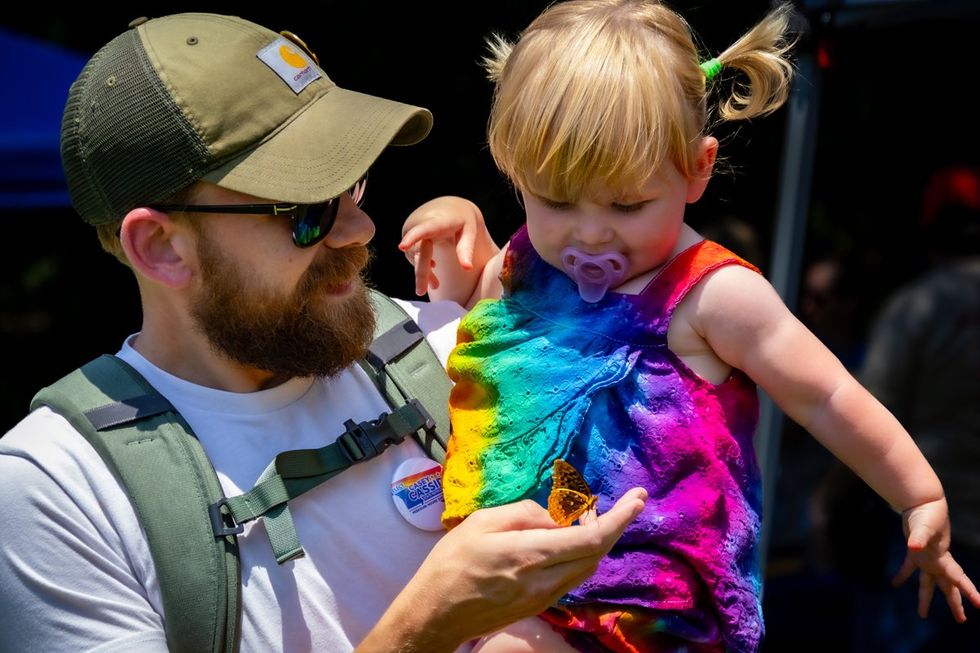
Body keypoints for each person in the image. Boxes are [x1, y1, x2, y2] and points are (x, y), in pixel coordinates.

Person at [0, 12, 650, 653]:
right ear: (161, 246)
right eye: (307, 211)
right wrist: (426, 626)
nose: (359, 229)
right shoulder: (61, 487)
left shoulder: (445, 351)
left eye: (352, 185)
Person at [397, 2, 980, 652]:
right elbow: (473, 322)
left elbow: (826, 396)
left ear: (697, 169)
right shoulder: (529, 261)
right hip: (519, 582)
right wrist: (457, 233)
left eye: (627, 204)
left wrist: (920, 494)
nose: (590, 232)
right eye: (556, 200)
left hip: (648, 610)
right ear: (514, 174)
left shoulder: (713, 295)